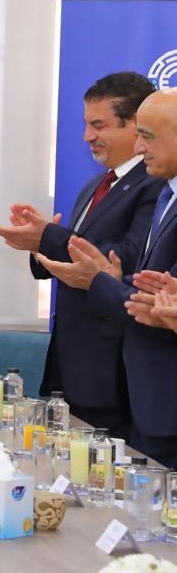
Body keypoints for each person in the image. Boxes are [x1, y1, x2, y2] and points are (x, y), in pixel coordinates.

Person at [0, 72, 159, 437]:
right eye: (86, 125)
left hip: (112, 374)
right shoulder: (96, 184)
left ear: (136, 124)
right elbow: (73, 263)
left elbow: (125, 259)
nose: (87, 136)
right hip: (70, 364)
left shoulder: (156, 185)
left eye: (98, 125)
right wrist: (39, 245)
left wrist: (50, 237)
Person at [40, 89, 177, 467]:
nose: (139, 146)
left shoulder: (153, 190)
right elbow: (148, 285)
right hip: (141, 392)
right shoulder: (165, 194)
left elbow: (156, 300)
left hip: (159, 397)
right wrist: (113, 278)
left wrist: (97, 280)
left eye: (147, 136)